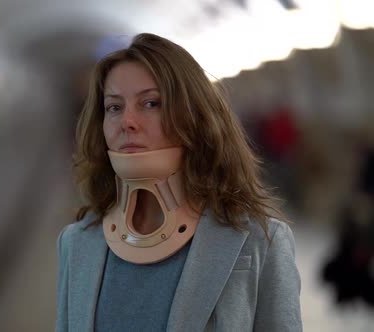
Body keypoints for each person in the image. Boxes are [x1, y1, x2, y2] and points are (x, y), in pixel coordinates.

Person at [56, 33, 302, 331]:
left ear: (194, 117)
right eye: (114, 107)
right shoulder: (77, 242)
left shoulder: (261, 241)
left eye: (151, 103)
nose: (127, 122)